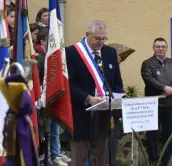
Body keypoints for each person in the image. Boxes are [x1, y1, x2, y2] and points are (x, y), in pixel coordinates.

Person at [66, 19, 124, 166]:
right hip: (81, 112)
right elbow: (67, 84)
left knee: (101, 156)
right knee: (79, 156)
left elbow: (117, 81)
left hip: (103, 113)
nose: (101, 42)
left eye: (104, 38)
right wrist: (87, 98)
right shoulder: (72, 52)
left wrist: (116, 97)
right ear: (87, 34)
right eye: (98, 38)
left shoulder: (110, 52)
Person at [141, 37, 172, 165]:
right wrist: (164, 87)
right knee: (152, 135)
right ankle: (153, 161)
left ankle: (167, 161)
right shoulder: (147, 64)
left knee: (169, 135)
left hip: (170, 105)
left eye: (163, 46)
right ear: (153, 48)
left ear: (166, 48)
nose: (160, 49)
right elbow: (149, 79)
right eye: (158, 46)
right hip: (153, 105)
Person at [35, 27, 70, 166]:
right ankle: (46, 155)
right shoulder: (39, 56)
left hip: (53, 96)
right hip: (43, 98)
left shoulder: (51, 55)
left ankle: (55, 154)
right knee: (46, 130)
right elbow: (38, 78)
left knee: (55, 127)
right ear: (43, 41)